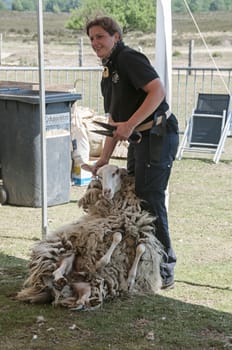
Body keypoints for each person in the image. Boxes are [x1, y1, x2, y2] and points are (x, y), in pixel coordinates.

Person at [85, 16, 179, 289]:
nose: (95, 43)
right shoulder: (109, 69)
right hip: (140, 139)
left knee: (150, 197)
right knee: (136, 196)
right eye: (91, 38)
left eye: (100, 36)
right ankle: (144, 260)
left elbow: (157, 91)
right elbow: (115, 119)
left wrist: (131, 124)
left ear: (116, 36)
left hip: (158, 135)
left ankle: (164, 267)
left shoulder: (128, 58)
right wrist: (104, 158)